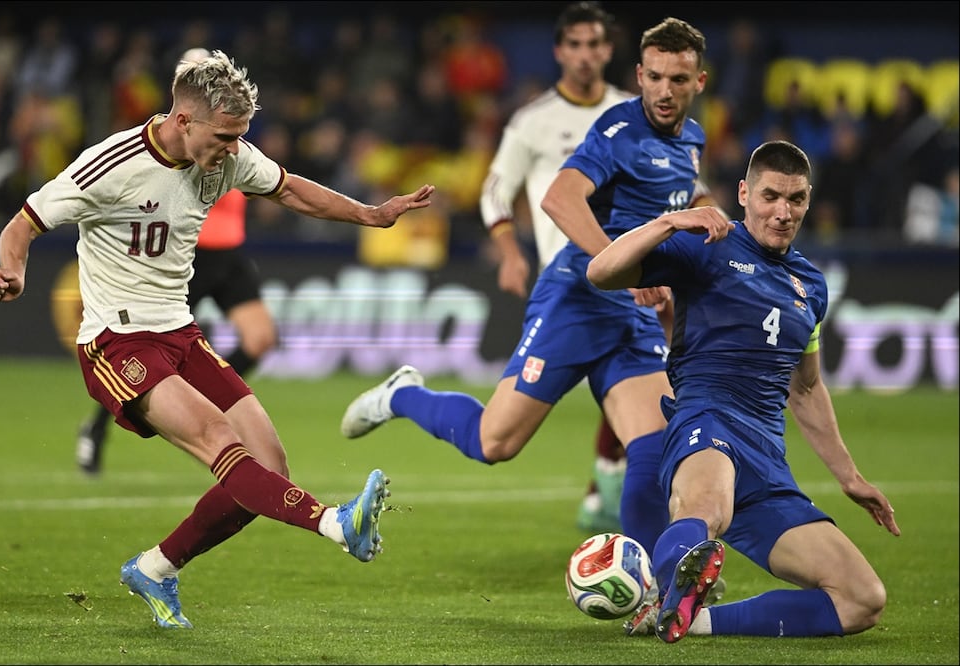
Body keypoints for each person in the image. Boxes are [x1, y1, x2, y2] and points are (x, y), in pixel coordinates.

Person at [0, 50, 435, 629]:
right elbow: (22, 223)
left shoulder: (227, 157)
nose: (232, 149)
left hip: (181, 334)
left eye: (239, 137)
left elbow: (292, 189)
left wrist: (372, 215)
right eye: (223, 136)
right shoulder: (109, 166)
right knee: (222, 440)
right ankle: (334, 523)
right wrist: (13, 271)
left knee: (270, 464)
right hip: (116, 342)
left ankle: (156, 567)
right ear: (182, 121)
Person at [341, 18, 714, 572]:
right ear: (638, 74)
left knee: (654, 446)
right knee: (495, 443)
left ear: (698, 82)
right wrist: (627, 266)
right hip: (577, 299)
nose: (664, 90)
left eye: (677, 80)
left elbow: (677, 196)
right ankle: (403, 394)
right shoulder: (618, 129)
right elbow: (561, 201)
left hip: (631, 314)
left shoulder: (691, 140)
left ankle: (657, 581)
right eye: (654, 77)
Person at [589, 140, 900, 642]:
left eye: (796, 199)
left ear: (808, 199)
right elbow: (600, 272)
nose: (783, 212)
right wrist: (669, 223)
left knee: (863, 599)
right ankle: (667, 582)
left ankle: (687, 618)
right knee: (705, 510)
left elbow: (807, 387)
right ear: (744, 193)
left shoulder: (811, 286)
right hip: (706, 420)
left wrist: (850, 477)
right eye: (771, 196)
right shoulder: (707, 244)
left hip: (768, 460)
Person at [75, 49, 279, 477]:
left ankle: (205, 400)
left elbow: (267, 180)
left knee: (260, 338)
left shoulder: (224, 138)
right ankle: (100, 425)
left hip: (230, 253)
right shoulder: (178, 142)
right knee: (161, 349)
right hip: (182, 256)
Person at [478, 1, 632, 534]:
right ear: (560, 52)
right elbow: (495, 190)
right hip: (569, 279)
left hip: (636, 278)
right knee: (501, 439)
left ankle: (618, 499)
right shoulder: (534, 121)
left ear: (609, 50)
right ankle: (609, 485)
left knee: (656, 392)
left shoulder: (632, 113)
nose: (587, 55)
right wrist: (511, 251)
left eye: (596, 44)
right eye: (576, 45)